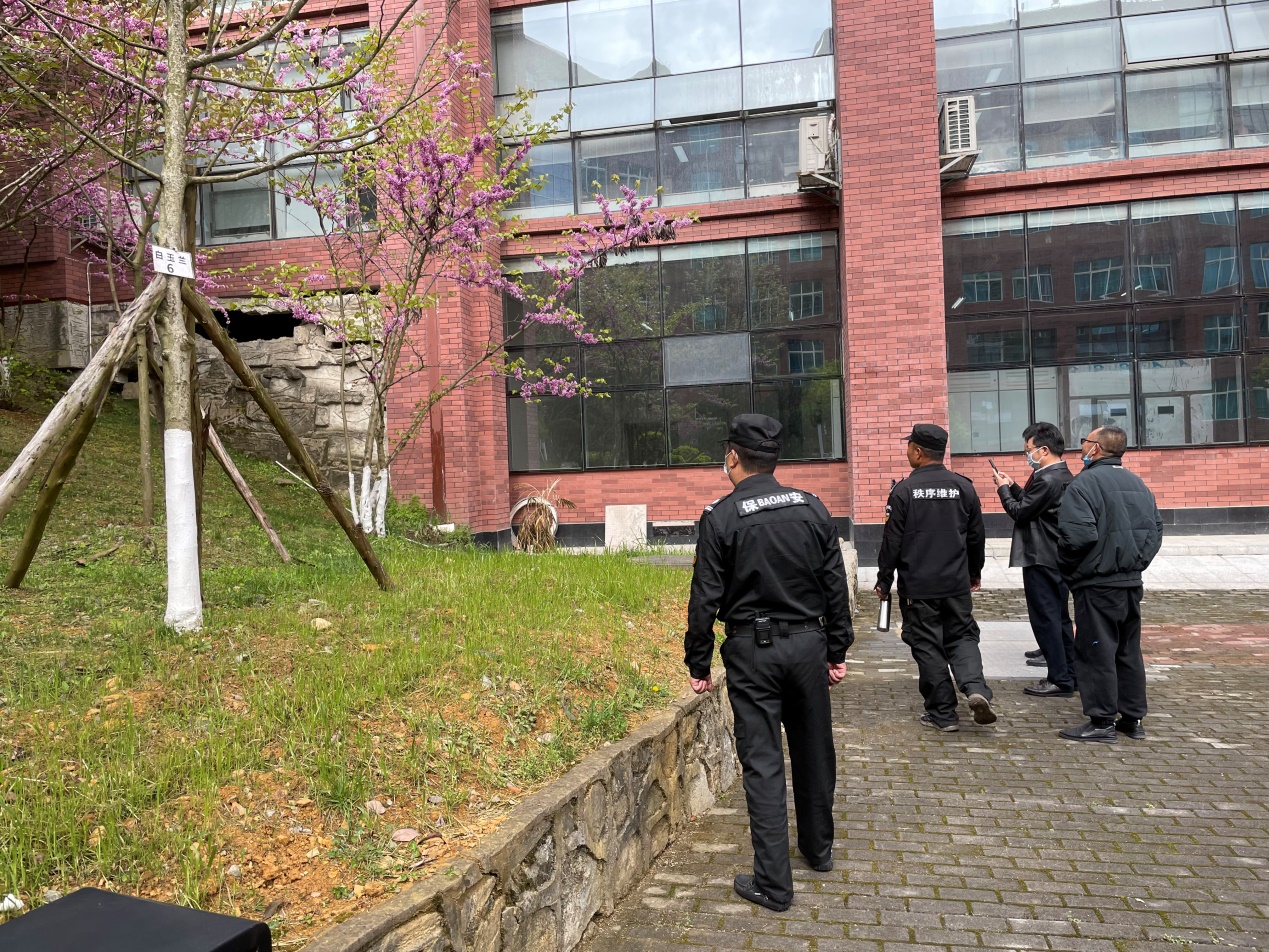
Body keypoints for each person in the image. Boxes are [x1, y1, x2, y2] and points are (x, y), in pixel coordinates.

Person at [684, 413, 853, 913]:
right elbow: (834, 586)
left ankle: (774, 885)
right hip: (808, 646)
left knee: (762, 762)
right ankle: (818, 851)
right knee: (815, 749)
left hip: (753, 652)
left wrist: (698, 662)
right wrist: (837, 650)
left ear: (733, 456)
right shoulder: (811, 506)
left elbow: (704, 598)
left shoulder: (721, 517)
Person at [874, 424, 997, 732]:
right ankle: (975, 688)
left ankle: (943, 714)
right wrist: (974, 573)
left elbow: (891, 542)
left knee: (928, 645)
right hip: (956, 585)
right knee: (962, 637)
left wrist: (884, 581)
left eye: (908, 446)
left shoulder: (903, 492)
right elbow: (976, 537)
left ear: (917, 452)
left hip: (919, 588)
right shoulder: (964, 487)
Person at [1056, 425, 1163, 744]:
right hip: (1129, 581)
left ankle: (1102, 720)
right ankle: (1132, 718)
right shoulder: (1138, 483)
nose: (1081, 447)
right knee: (1128, 650)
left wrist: (1071, 570)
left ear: (1097, 448)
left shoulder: (1083, 484)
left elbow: (1077, 537)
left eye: (1085, 442)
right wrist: (1137, 562)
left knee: (1096, 650)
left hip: (1097, 582)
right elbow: (1155, 530)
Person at [990, 422, 1077, 698]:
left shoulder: (1049, 479)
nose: (1027, 455)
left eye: (1029, 450)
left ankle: (1059, 678)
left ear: (1044, 449)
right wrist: (1014, 486)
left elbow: (1020, 512)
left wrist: (1002, 490)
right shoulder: (1059, 475)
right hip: (1055, 556)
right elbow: (1034, 504)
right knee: (1060, 618)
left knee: (1046, 619)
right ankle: (1069, 674)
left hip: (1042, 557)